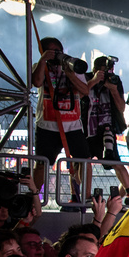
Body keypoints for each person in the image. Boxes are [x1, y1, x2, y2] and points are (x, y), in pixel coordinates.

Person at [30, 37, 92, 197]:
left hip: (72, 125)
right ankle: (33, 197)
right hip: (47, 125)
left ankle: (85, 196)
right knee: (43, 163)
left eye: (59, 51)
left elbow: (85, 91)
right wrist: (44, 60)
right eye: (52, 51)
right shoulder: (39, 66)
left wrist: (70, 74)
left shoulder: (72, 67)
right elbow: (36, 82)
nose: (56, 55)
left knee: (85, 161)